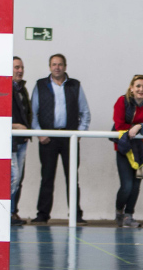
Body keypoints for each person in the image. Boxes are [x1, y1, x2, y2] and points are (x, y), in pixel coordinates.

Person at [30, 54, 91, 225]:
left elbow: (85, 112)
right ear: (49, 67)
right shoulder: (41, 85)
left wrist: (79, 134)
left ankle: (76, 215)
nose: (57, 67)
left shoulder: (75, 85)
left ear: (65, 66)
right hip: (47, 138)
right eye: (54, 64)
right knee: (47, 177)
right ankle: (42, 215)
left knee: (72, 177)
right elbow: (33, 113)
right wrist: (39, 133)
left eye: (60, 64)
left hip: (69, 138)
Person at [112, 74, 143, 228]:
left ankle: (129, 216)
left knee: (136, 186)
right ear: (131, 88)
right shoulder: (122, 101)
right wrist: (134, 128)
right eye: (138, 86)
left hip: (142, 151)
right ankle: (119, 211)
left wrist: (140, 126)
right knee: (127, 185)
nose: (141, 89)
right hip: (125, 149)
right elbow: (119, 125)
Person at [8, 57, 31, 226]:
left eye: (21, 67)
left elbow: (27, 112)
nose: (20, 70)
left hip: (22, 140)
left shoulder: (22, 89)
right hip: (9, 140)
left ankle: (11, 211)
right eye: (16, 67)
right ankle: (2, 212)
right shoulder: (2, 89)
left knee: (18, 178)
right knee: (13, 177)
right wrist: (16, 126)